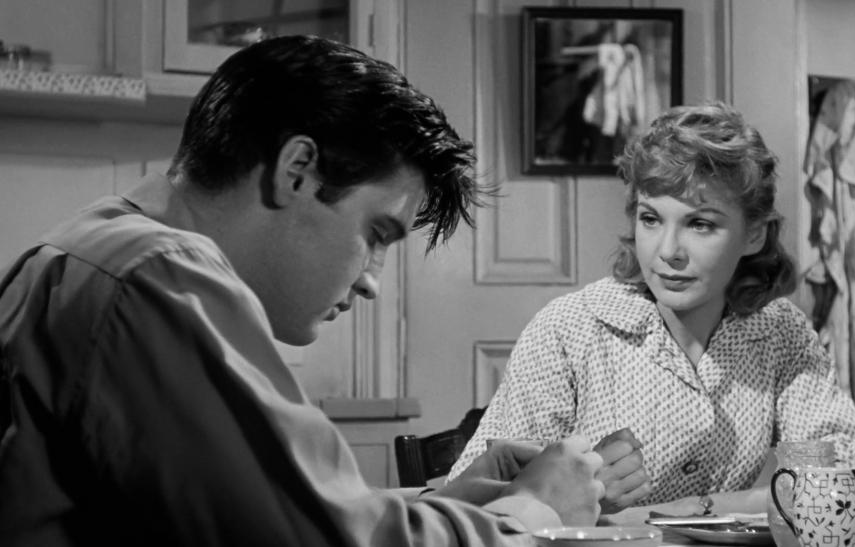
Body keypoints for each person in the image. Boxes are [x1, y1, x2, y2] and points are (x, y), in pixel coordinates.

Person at [0, 36, 623, 546]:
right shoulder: (162, 277)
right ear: (297, 172)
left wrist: (450, 502)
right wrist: (538, 513)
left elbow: (263, 521)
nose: (373, 280)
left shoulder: (91, 246)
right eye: (376, 233)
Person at [448, 102, 855, 519]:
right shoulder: (570, 329)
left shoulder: (777, 331)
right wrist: (580, 492)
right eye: (651, 219)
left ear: (753, 234)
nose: (668, 252)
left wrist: (710, 506)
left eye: (700, 224)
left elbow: (853, 473)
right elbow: (476, 505)